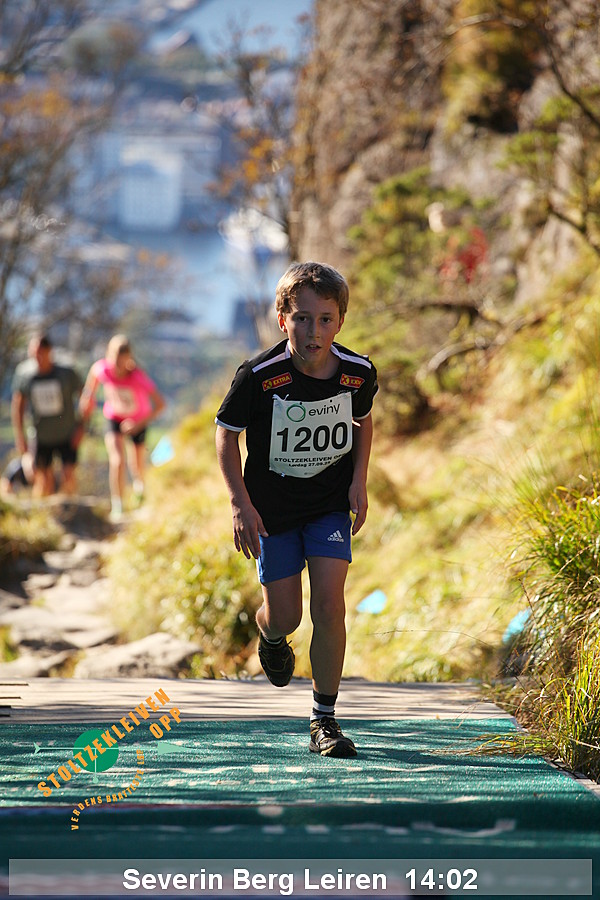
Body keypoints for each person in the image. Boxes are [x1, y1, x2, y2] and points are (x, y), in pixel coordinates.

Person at [215, 261, 378, 758]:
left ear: (340, 321)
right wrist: (240, 504)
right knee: (286, 615)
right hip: (273, 510)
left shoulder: (357, 372)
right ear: (282, 318)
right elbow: (226, 434)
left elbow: (363, 420)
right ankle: (270, 634)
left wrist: (358, 479)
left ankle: (324, 719)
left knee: (329, 605)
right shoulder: (258, 376)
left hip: (328, 505)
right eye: (302, 319)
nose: (314, 331)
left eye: (325, 319)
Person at [80, 334, 165, 522]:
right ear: (108, 356)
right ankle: (117, 505)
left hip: (138, 419)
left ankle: (139, 491)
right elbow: (94, 374)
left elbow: (160, 405)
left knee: (136, 466)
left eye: (122, 362)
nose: (117, 367)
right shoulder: (103, 369)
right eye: (114, 361)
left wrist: (137, 424)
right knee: (117, 460)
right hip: (115, 417)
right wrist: (88, 396)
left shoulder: (138, 377)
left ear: (129, 359)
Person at [11, 334, 83, 497]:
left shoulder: (66, 373)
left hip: (66, 433)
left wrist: (81, 426)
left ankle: (71, 508)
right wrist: (20, 435)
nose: (37, 358)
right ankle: (44, 510)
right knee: (42, 478)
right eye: (33, 353)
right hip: (41, 434)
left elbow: (85, 397)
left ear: (49, 351)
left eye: (40, 353)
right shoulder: (25, 374)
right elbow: (18, 405)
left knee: (68, 476)